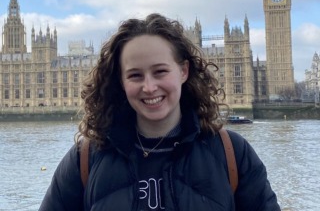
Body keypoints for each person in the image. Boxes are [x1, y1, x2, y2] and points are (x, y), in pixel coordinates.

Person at [39, 13, 281, 211]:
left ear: (184, 71)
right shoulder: (86, 159)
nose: (149, 87)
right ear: (120, 81)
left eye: (160, 71)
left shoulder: (232, 154)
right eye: (135, 75)